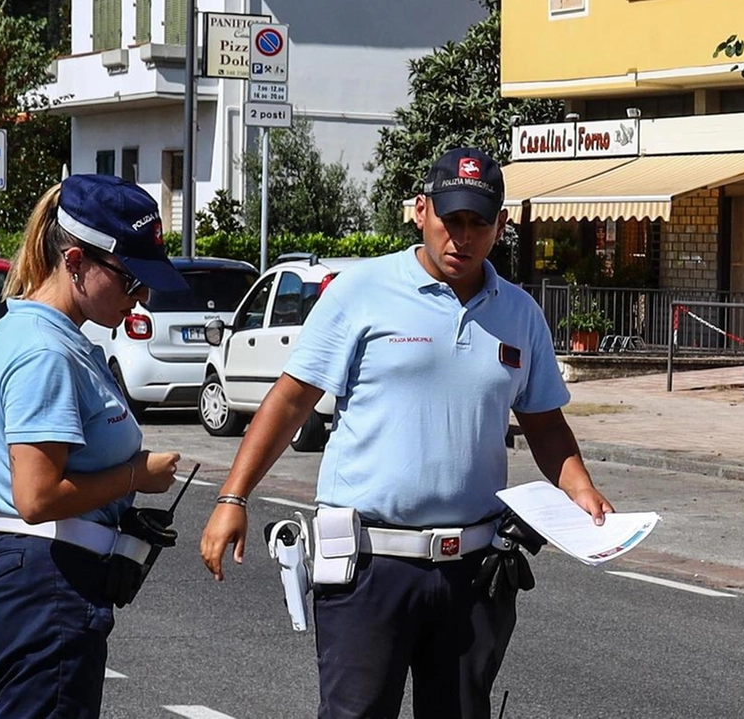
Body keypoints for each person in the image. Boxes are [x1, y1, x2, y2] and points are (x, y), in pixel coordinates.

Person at [199, 148, 615, 719]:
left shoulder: (519, 313)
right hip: (371, 566)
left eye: (479, 224)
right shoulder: (359, 291)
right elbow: (291, 399)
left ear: (500, 225)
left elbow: (544, 423)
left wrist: (581, 489)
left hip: (474, 569)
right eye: (451, 220)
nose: (462, 238)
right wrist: (232, 497)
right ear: (420, 211)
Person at [0, 174, 188, 718]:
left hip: (11, 577)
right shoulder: (45, 352)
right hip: (43, 584)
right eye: (131, 280)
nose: (142, 296)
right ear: (76, 261)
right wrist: (136, 475)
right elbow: (37, 496)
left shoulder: (17, 332)